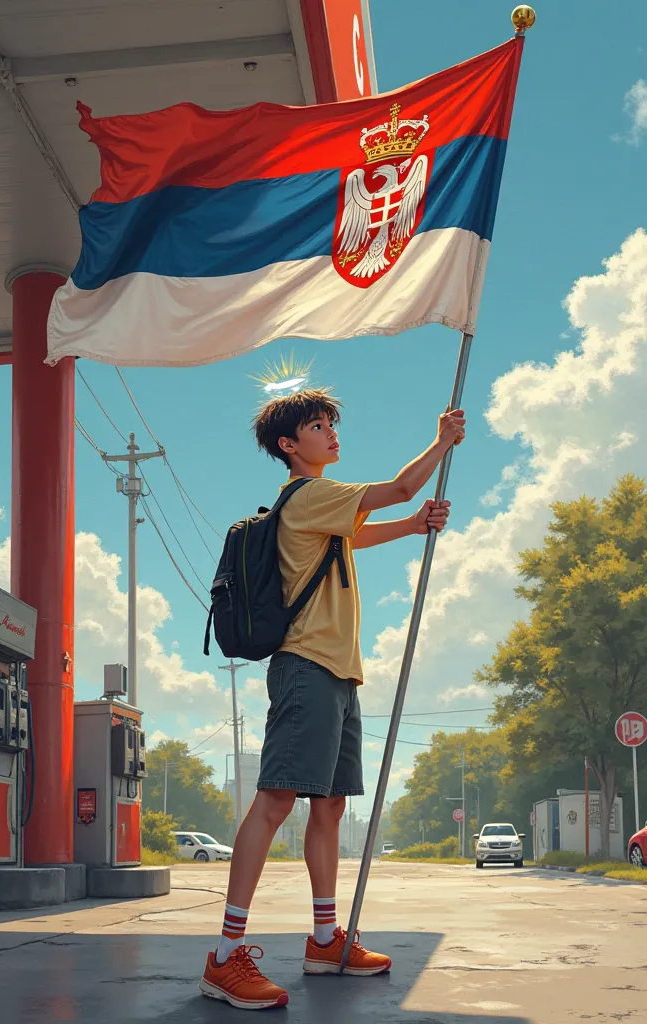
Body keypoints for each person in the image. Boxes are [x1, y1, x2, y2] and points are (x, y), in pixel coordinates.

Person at [200, 388, 465, 1010]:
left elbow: (360, 538)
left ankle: (324, 941)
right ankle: (223, 957)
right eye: (318, 427)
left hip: (340, 676)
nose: (331, 434)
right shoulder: (309, 495)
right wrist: (443, 441)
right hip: (306, 668)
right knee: (274, 801)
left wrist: (415, 526)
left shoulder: (324, 511)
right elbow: (398, 488)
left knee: (330, 808)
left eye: (330, 425)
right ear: (290, 446)